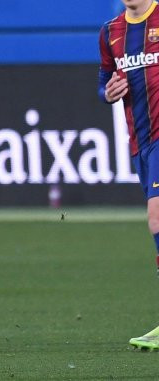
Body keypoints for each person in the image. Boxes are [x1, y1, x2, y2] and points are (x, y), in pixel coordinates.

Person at [99, 0, 159, 350]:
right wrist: (107, 93)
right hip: (142, 145)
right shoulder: (111, 32)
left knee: (156, 219)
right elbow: (104, 78)